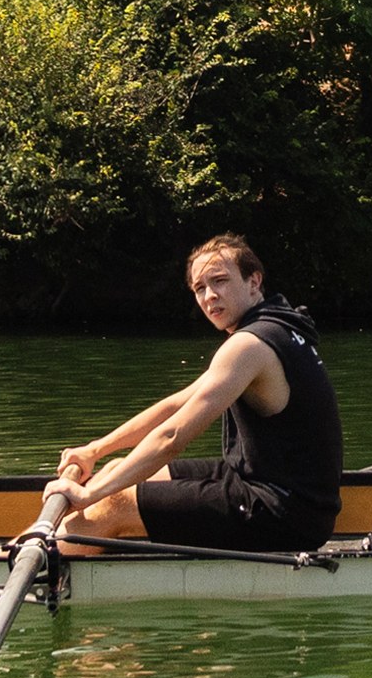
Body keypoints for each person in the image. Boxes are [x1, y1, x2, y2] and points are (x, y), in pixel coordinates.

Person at [58, 235, 343, 553]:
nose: (210, 296)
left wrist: (89, 496)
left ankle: (22, 564)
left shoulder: (248, 346)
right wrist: (95, 450)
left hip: (284, 514)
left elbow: (172, 437)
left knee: (114, 502)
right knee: (114, 471)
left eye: (220, 281)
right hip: (275, 490)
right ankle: (40, 549)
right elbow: (176, 405)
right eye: (200, 288)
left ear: (253, 282)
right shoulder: (275, 327)